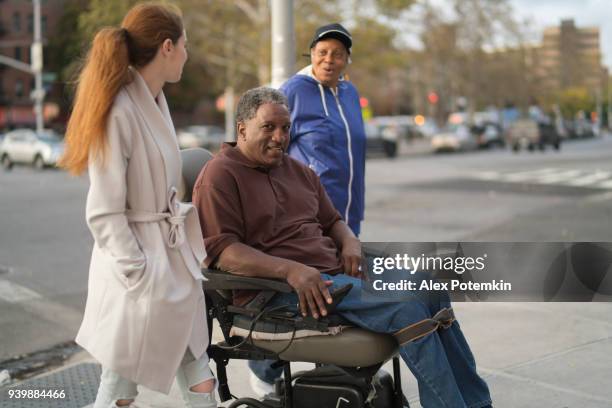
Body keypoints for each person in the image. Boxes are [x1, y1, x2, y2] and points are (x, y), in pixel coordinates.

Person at [193, 87, 492, 408]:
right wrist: (291, 271)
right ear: (242, 129)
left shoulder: (296, 171)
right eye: (268, 127)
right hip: (278, 294)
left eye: (285, 128)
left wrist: (349, 241)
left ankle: (477, 404)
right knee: (405, 307)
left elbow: (332, 221)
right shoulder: (220, 176)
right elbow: (223, 254)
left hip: (335, 273)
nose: (280, 137)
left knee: (431, 288)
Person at [59, 3, 216, 408]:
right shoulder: (119, 110)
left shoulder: (154, 101)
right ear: (167, 47)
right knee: (119, 393)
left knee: (200, 380)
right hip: (141, 276)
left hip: (171, 265)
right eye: (185, 44)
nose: (187, 53)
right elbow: (104, 211)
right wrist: (139, 274)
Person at [248, 22, 368, 393]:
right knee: (306, 297)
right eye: (322, 52)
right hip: (309, 216)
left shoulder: (349, 93)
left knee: (338, 296)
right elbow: (269, 145)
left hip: (347, 213)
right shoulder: (294, 91)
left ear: (347, 59)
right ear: (312, 54)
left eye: (337, 53)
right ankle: (263, 370)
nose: (329, 59)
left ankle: (336, 372)